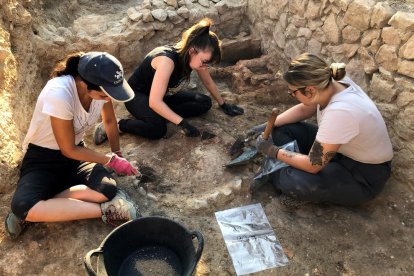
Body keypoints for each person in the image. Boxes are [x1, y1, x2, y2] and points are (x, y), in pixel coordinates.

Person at [5, 51, 140, 239]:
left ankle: (47, 205)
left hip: (77, 154)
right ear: (84, 84)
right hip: (43, 159)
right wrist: (110, 160)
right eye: (104, 94)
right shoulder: (59, 93)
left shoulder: (101, 92)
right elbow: (67, 149)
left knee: (106, 189)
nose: (108, 99)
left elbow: (109, 121)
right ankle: (107, 211)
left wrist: (117, 153)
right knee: (23, 207)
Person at [254, 53, 393, 206]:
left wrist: (273, 151)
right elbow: (305, 110)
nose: (292, 95)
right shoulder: (330, 80)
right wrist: (270, 125)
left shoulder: (340, 112)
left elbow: (313, 165)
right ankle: (288, 163)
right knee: (281, 130)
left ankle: (285, 169)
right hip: (340, 149)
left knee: (293, 180)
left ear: (310, 90)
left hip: (362, 174)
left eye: (293, 92)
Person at [93, 18, 243, 143]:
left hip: (161, 94)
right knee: (157, 129)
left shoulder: (191, 56)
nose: (205, 66)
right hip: (137, 95)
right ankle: (119, 125)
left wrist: (223, 104)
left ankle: (160, 115)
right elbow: (154, 102)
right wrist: (182, 122)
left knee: (204, 103)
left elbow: (208, 82)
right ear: (192, 50)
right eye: (204, 62)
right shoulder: (167, 61)